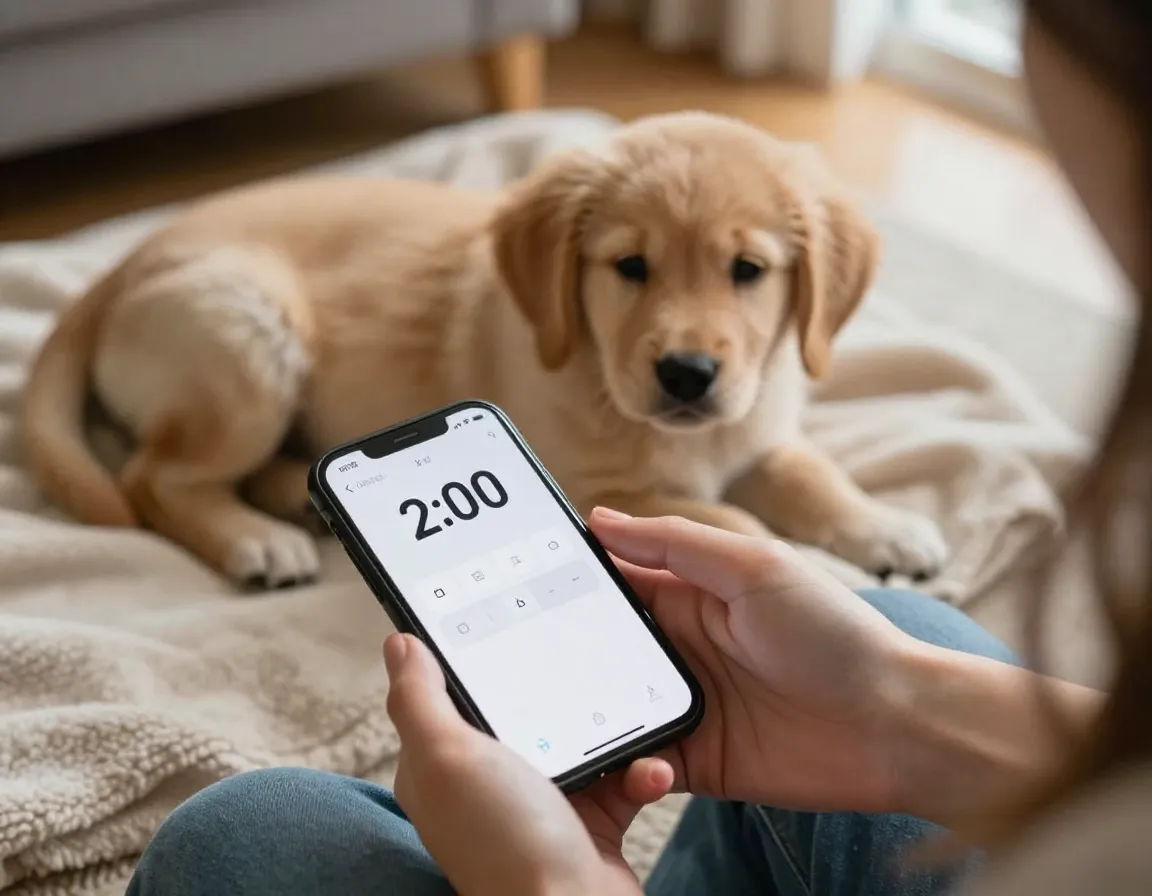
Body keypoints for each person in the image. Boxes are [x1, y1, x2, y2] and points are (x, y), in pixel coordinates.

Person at [126, 1, 1152, 893]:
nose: (687, 342)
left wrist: (549, 879)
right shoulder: (545, 334)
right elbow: (607, 504)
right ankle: (184, 486)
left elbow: (766, 451)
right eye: (632, 267)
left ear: (812, 285)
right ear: (558, 274)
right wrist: (889, 688)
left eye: (745, 271)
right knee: (892, 621)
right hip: (227, 286)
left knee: (245, 835)